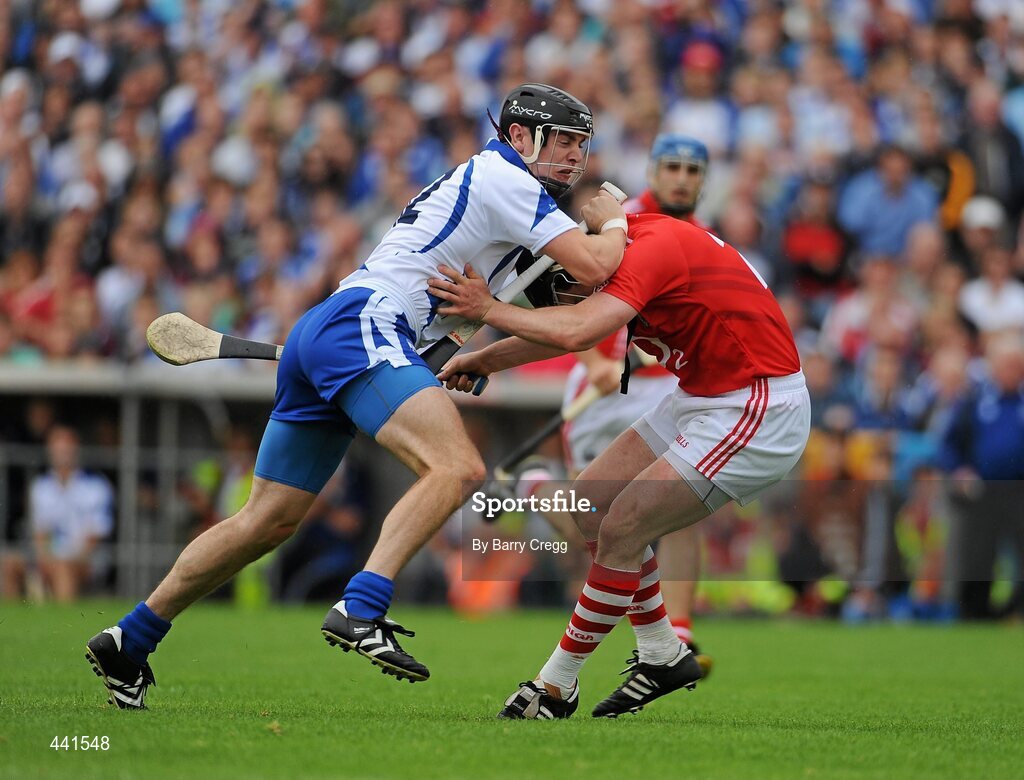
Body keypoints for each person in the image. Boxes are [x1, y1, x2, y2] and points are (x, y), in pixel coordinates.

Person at [84, 83, 629, 710]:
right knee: (457, 467)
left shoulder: (510, 201)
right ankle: (363, 604)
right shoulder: (506, 180)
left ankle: (131, 636)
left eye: (582, 145)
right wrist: (615, 217)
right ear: (521, 137)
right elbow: (593, 266)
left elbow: (552, 326)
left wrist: (477, 357)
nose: (575, 158)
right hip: (364, 324)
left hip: (340, 329)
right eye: (563, 141)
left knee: (267, 520)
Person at [431, 212, 810, 719]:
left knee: (624, 525)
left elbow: (576, 330)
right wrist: (486, 360)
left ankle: (555, 685)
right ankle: (662, 654)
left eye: (554, 288)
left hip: (756, 404)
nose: (557, 301)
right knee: (590, 506)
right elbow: (576, 329)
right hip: (702, 394)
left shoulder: (646, 251)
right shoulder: (617, 249)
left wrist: (490, 309)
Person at [515, 134, 714, 674]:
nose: (681, 178)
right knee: (591, 525)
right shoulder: (620, 221)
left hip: (660, 390)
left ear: (703, 180)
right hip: (599, 390)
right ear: (653, 170)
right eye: (671, 167)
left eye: (692, 170)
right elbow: (567, 298)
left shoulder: (701, 239)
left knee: (680, 503)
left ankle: (678, 631)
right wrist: (596, 362)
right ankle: (537, 488)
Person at [30, 425, 114, 602]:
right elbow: (40, 532)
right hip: (51, 558)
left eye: (66, 450)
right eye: (58, 450)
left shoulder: (96, 485)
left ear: (76, 451)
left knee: (63, 568)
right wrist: (45, 559)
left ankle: (62, 624)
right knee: (8, 565)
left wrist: (69, 559)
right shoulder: (41, 486)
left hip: (87, 558)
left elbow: (95, 536)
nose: (62, 455)